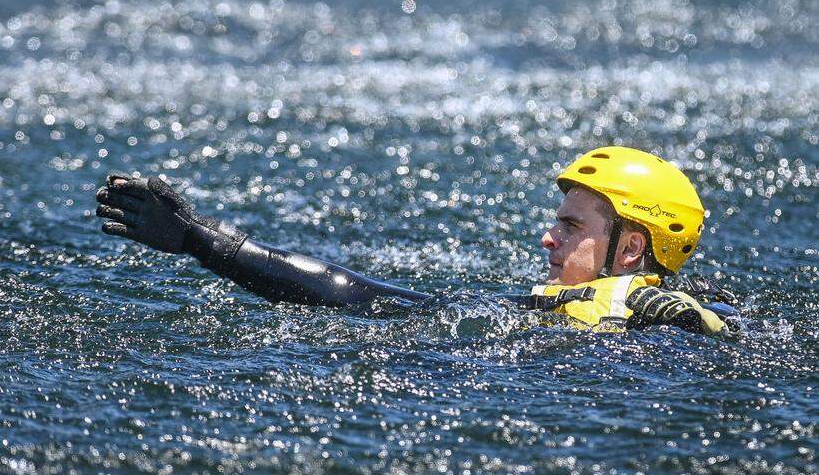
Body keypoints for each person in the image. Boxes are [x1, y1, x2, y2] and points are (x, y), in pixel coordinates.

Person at [94, 146, 740, 334]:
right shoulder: (599, 309)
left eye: (572, 227)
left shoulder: (640, 310)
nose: (548, 237)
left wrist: (209, 243)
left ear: (629, 250)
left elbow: (358, 297)